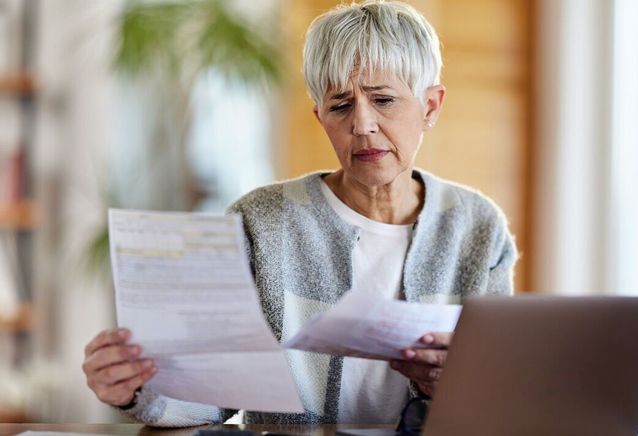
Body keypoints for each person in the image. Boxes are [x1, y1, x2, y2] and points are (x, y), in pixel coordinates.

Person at [82, 0, 517, 427]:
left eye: (383, 100)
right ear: (320, 116)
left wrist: (455, 385)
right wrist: (138, 390)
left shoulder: (477, 227)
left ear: (431, 107)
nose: (362, 124)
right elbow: (211, 396)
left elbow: (499, 398)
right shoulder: (261, 221)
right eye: (341, 106)